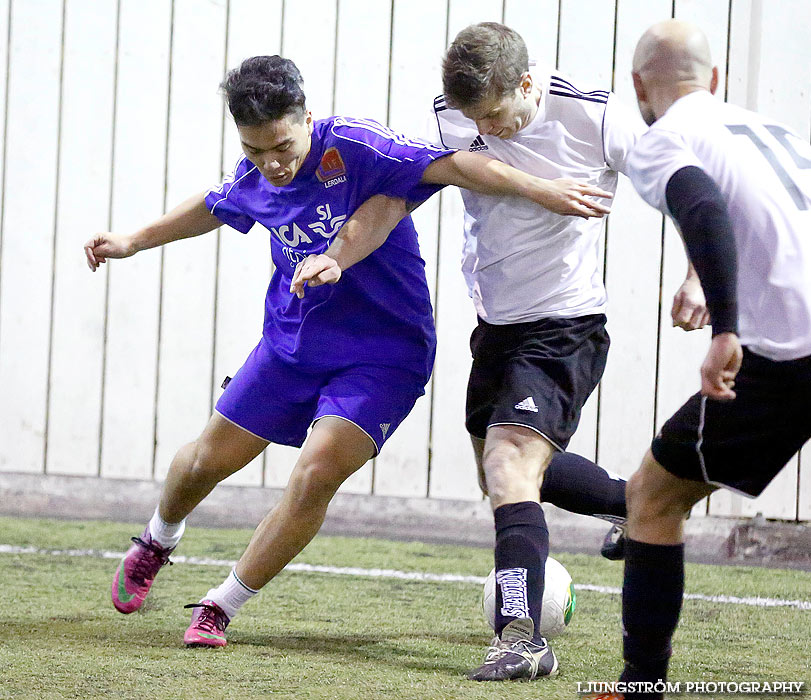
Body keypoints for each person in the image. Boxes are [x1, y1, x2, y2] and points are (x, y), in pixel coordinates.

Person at [84, 55, 613, 649]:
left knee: (314, 474)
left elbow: (457, 163)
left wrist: (544, 189)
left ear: (308, 116)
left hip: (385, 356)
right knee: (208, 459)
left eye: (282, 145)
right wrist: (132, 238)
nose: (273, 164)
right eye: (256, 151)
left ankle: (220, 605)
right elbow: (215, 204)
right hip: (292, 343)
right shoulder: (258, 173)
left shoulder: (361, 147)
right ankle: (157, 538)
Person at [431, 22, 707, 682]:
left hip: (564, 326)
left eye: (496, 116)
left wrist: (700, 274)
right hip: (495, 326)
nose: (487, 131)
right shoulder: (453, 109)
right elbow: (448, 165)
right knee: (503, 478)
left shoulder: (593, 112)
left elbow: (684, 185)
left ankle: (521, 639)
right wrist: (535, 187)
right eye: (476, 121)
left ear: (526, 83)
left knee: (507, 463)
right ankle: (629, 500)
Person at [589, 19, 811, 700]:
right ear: (712, 79)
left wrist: (726, 325)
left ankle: (640, 687)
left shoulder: (661, 141)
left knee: (652, 496)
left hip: (788, 349)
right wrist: (702, 278)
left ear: (636, 88)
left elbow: (702, 203)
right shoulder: (771, 131)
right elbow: (746, 213)